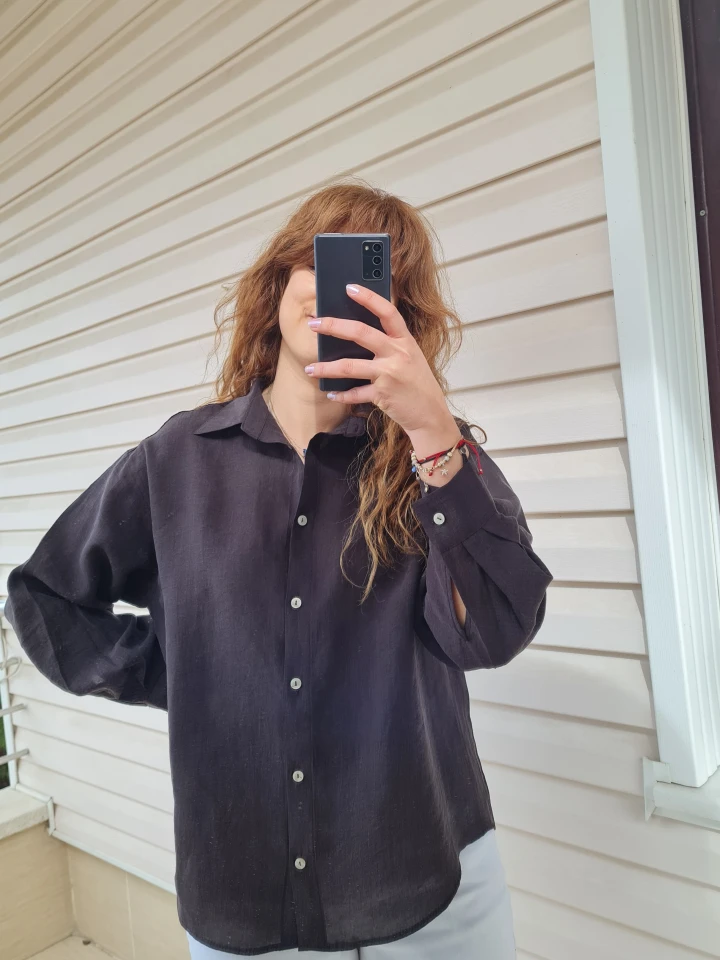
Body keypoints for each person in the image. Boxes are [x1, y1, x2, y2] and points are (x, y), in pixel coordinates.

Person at [4, 179, 553, 959]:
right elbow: (45, 595)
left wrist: (432, 429)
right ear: (281, 281)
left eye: (376, 280)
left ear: (402, 317)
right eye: (325, 265)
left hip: (430, 877)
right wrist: (180, 669)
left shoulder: (435, 454)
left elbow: (494, 629)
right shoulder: (178, 460)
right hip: (247, 894)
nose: (345, 295)